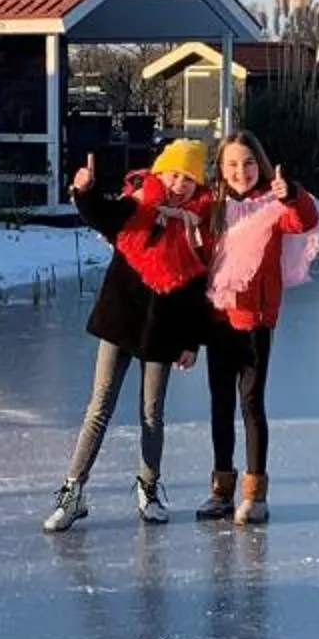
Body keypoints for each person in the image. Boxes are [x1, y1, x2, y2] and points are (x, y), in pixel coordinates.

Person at [42, 139, 212, 533]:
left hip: (162, 330)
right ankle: (73, 490)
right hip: (121, 320)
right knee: (99, 406)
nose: (179, 184)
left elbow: (196, 290)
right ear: (159, 172)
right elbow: (101, 214)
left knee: (152, 414)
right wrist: (83, 191)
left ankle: (148, 488)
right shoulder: (137, 206)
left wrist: (191, 342)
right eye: (173, 173)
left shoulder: (196, 228)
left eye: (189, 179)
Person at [197, 129, 319, 524]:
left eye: (248, 163)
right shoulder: (212, 205)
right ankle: (221, 490)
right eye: (232, 164)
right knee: (220, 403)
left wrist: (291, 193)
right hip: (217, 317)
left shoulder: (273, 205)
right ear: (220, 168)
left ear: (260, 165)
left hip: (255, 320)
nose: (241, 171)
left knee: (250, 403)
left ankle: (255, 493)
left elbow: (304, 220)